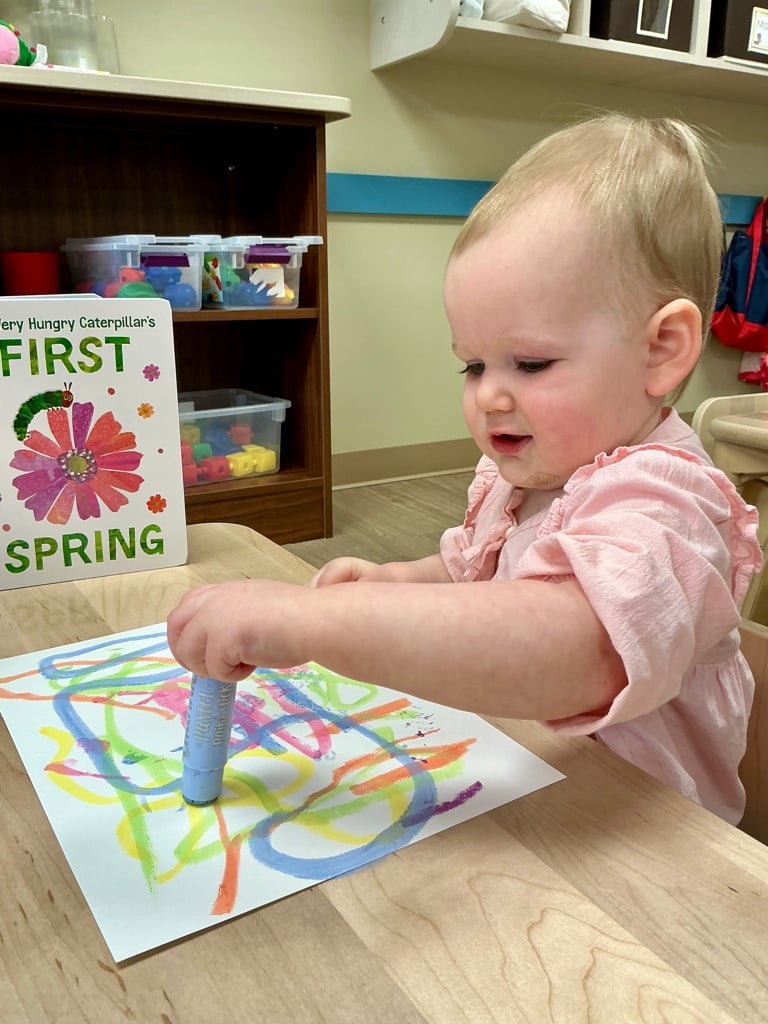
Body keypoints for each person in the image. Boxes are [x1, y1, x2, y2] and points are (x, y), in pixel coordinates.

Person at [167, 113, 762, 825]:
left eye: (530, 363)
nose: (488, 394)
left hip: (645, 844)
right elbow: (471, 570)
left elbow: (580, 649)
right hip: (526, 785)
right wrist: (396, 581)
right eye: (473, 364)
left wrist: (325, 621)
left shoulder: (666, 503)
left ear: (662, 350)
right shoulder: (526, 477)